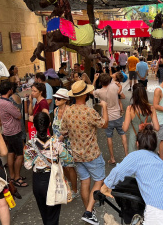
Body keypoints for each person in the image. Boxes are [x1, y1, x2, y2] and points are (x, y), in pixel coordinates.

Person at [100, 125, 163, 225]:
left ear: (137, 143)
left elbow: (118, 171)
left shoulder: (136, 156)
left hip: (159, 207)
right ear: (155, 145)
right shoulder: (159, 161)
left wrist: (105, 186)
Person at [60, 80, 109, 225]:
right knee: (99, 181)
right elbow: (104, 124)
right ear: (86, 94)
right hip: (92, 153)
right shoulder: (89, 112)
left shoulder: (68, 111)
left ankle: (89, 211)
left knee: (85, 182)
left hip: (77, 154)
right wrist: (104, 107)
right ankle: (88, 212)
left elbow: (64, 131)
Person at [24, 112, 73, 224]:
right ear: (49, 124)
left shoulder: (29, 145)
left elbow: (27, 166)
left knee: (44, 215)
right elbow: (69, 159)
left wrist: (37, 157)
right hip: (52, 179)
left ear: (34, 126)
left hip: (37, 181)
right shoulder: (55, 143)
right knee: (53, 216)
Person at [0, 81, 28, 187]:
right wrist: (16, 109)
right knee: (20, 154)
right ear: (10, 90)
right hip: (15, 131)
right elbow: (19, 115)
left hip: (7, 131)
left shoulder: (0, 101)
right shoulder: (7, 103)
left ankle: (12, 176)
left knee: (11, 153)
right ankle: (17, 178)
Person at [92, 73, 127, 165]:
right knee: (122, 134)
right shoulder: (115, 87)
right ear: (109, 80)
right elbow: (122, 95)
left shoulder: (99, 92)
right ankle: (127, 155)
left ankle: (112, 158)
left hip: (107, 117)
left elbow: (91, 91)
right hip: (117, 115)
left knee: (109, 136)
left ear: (101, 82)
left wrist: (95, 79)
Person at [51, 88, 79, 202]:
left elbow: (73, 128)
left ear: (65, 100)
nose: (56, 100)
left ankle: (75, 190)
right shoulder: (55, 111)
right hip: (58, 144)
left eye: (58, 99)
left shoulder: (70, 111)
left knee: (69, 166)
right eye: (55, 98)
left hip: (68, 143)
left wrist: (63, 136)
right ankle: (70, 186)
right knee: (62, 167)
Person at [123, 84, 160, 153]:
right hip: (147, 140)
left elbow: (125, 129)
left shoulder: (130, 109)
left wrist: (123, 124)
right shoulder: (151, 108)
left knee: (135, 159)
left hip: (134, 139)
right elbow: (157, 128)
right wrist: (148, 124)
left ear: (134, 95)